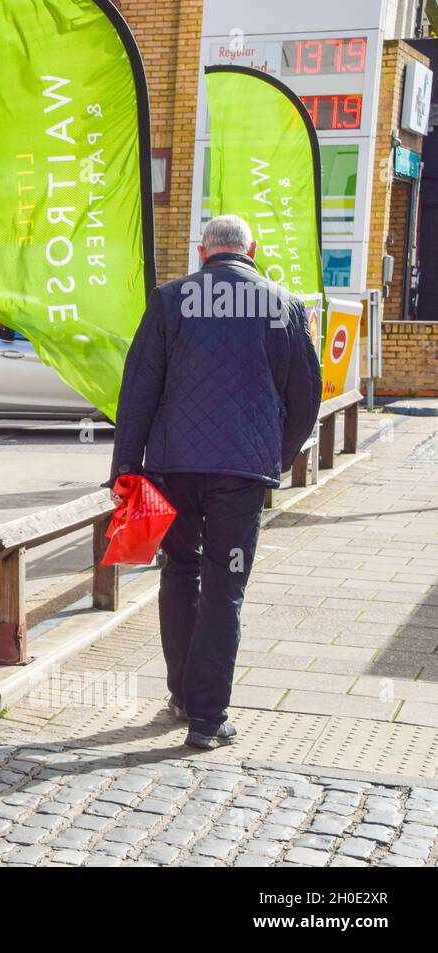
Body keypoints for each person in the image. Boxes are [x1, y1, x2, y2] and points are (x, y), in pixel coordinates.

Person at [108, 214, 322, 750]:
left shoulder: (169, 300)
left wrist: (125, 469)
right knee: (225, 585)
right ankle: (207, 720)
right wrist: (277, 456)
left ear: (203, 253)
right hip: (241, 473)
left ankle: (182, 695)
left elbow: (138, 389)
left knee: (178, 569)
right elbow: (306, 395)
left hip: (171, 467)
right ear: (252, 249)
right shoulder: (285, 305)